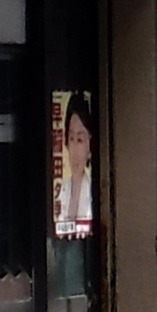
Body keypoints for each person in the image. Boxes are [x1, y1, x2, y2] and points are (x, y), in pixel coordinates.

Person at [56, 93, 92, 229]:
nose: (75, 149)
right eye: (71, 139)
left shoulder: (94, 193)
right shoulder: (60, 191)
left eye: (80, 140)